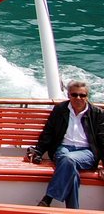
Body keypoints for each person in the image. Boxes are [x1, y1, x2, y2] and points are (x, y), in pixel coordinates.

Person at [31, 80, 104, 208]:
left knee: (69, 160)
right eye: (74, 94)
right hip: (63, 148)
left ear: (87, 96)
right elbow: (48, 132)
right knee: (72, 171)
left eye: (82, 95)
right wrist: (38, 151)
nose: (78, 98)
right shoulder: (60, 109)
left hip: (86, 152)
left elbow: (102, 140)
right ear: (68, 95)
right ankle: (73, 210)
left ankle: (47, 199)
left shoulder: (97, 113)